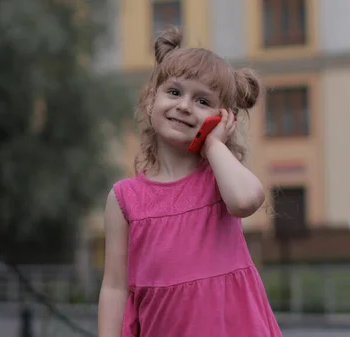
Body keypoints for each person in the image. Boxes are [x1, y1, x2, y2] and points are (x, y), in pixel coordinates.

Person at [97, 26, 282, 337]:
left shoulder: (220, 179)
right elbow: (114, 287)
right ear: (149, 102)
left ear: (222, 118)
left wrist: (214, 145)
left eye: (202, 101)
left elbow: (247, 200)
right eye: (174, 92)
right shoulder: (124, 199)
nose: (184, 106)